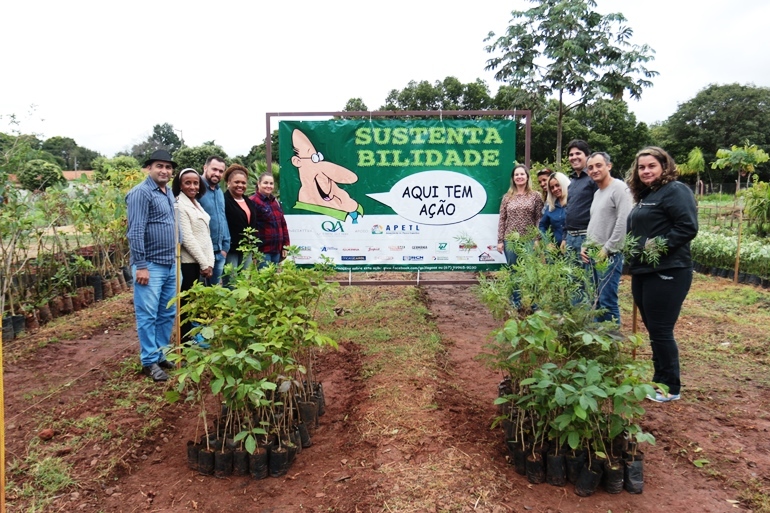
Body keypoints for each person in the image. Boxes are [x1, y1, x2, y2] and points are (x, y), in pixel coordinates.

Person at [626, 147, 698, 403]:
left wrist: (655, 246)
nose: (645, 171)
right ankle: (660, 380)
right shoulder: (648, 195)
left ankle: (670, 387)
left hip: (668, 270)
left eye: (651, 166)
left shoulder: (676, 191)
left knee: (661, 330)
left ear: (664, 167)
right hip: (644, 271)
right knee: (654, 329)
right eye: (641, 167)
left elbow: (687, 227)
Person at [126, 150, 178, 382]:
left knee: (166, 312)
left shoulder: (167, 193)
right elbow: (135, 231)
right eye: (160, 166)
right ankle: (149, 361)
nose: (164, 171)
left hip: (169, 263)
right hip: (151, 265)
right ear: (149, 168)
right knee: (147, 314)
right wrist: (141, 265)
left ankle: (160, 354)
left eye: (168, 167)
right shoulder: (141, 193)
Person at [580, 153, 633, 325]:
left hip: (609, 255)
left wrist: (607, 248)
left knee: (607, 301)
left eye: (598, 165)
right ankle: (598, 341)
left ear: (609, 166)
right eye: (590, 167)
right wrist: (585, 245)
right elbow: (594, 222)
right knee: (596, 301)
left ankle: (611, 344)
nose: (594, 170)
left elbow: (623, 221)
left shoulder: (619, 188)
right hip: (594, 253)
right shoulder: (598, 193)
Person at [172, 168, 214, 344]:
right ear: (180, 185)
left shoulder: (196, 203)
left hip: (201, 262)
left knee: (192, 302)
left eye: (195, 182)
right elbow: (187, 238)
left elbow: (205, 235)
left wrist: (209, 262)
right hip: (189, 263)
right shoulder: (179, 205)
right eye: (187, 183)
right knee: (186, 304)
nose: (192, 186)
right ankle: (184, 342)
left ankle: (191, 337)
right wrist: (204, 263)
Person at [223, 164, 259, 285]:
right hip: (231, 249)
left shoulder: (249, 202)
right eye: (236, 182)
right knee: (232, 282)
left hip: (247, 249)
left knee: (245, 282)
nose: (240, 185)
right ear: (228, 182)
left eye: (243, 183)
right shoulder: (223, 200)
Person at [198, 156, 230, 286]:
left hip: (219, 252)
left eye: (221, 171)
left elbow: (223, 218)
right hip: (201, 254)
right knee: (197, 295)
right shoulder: (196, 188)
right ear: (205, 168)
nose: (217, 173)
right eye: (214, 169)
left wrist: (225, 247)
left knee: (214, 293)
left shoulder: (219, 192)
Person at [563, 140, 598, 259]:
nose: (574, 157)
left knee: (588, 277)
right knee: (571, 277)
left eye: (578, 153)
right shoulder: (572, 182)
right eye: (571, 155)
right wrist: (564, 238)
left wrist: (590, 240)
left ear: (587, 156)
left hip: (586, 237)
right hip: (570, 238)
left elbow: (600, 211)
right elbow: (568, 210)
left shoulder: (593, 178)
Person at [249, 172, 290, 267]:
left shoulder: (275, 202)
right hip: (262, 251)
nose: (269, 186)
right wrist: (253, 252)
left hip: (276, 250)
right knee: (264, 280)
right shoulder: (252, 201)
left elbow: (283, 224)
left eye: (271, 183)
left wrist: (285, 246)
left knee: (273, 280)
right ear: (258, 184)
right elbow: (251, 227)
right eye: (265, 183)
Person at [538, 171, 570, 248]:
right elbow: (542, 225)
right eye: (552, 187)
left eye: (557, 185)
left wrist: (565, 239)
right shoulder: (551, 206)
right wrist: (547, 241)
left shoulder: (574, 202)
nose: (555, 189)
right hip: (556, 251)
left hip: (572, 247)